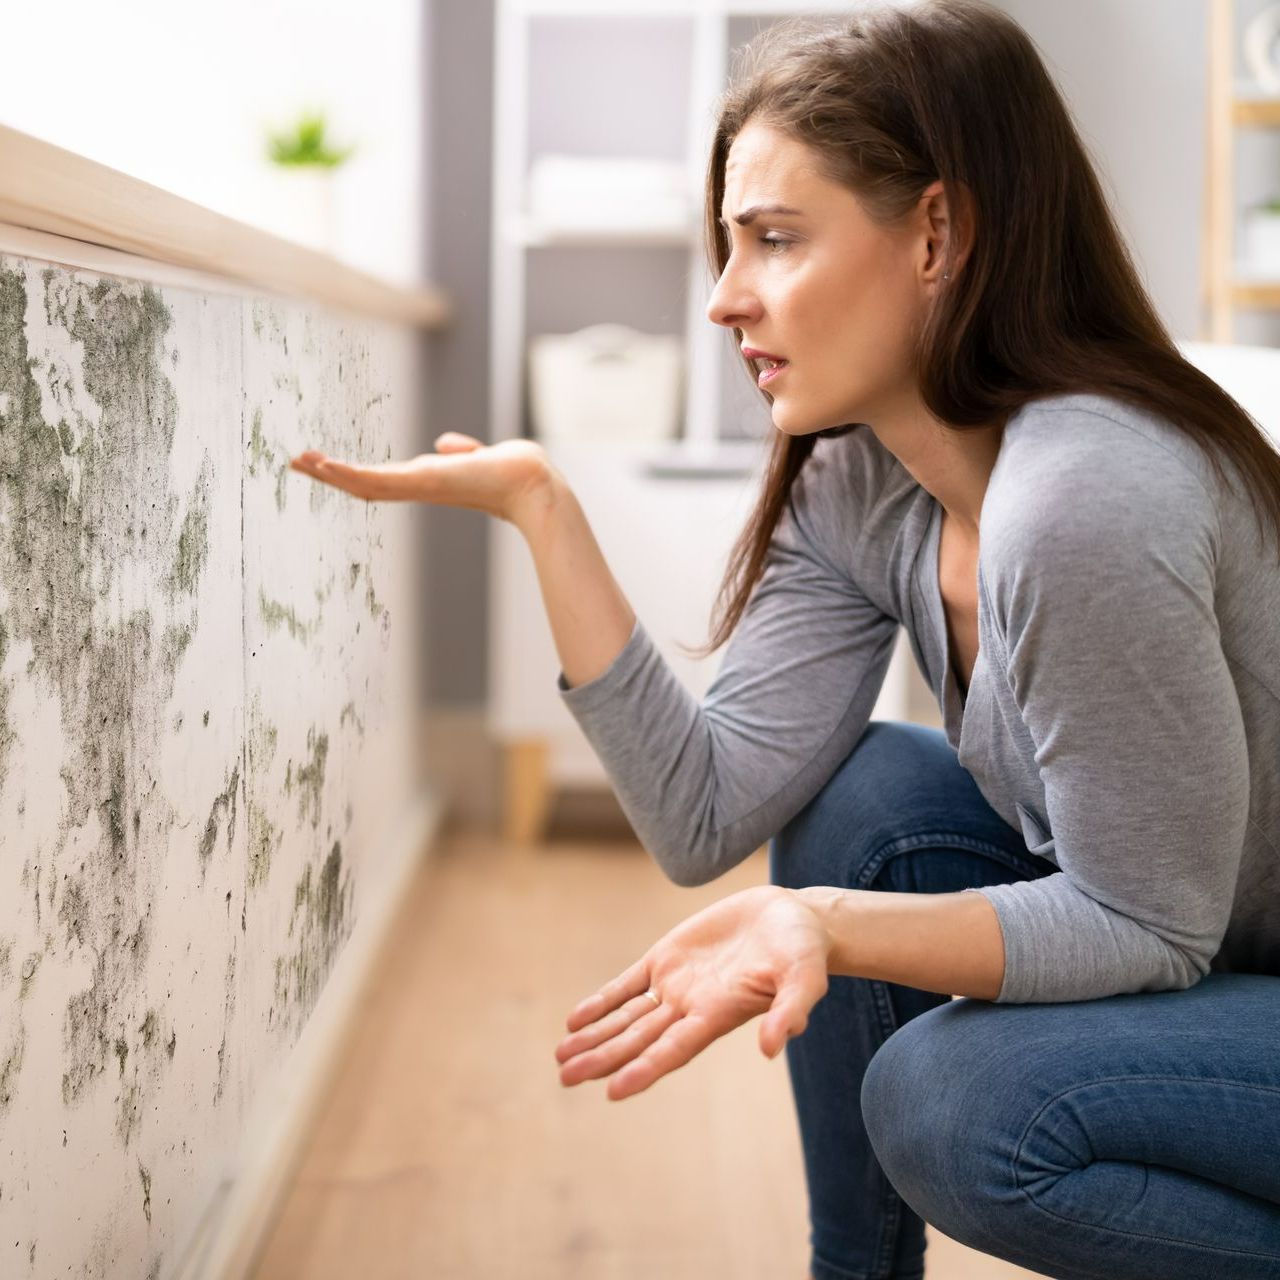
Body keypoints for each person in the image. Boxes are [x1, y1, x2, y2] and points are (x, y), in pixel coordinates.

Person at [290, 2, 1280, 1277]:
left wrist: (822, 923)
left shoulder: (1086, 494)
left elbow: (1151, 927)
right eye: (725, 246)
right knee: (861, 794)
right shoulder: (861, 483)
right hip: (1215, 962)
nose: (721, 300)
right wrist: (545, 514)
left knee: (953, 1100)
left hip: (1221, 968)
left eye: (771, 239)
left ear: (938, 231)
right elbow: (704, 813)